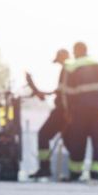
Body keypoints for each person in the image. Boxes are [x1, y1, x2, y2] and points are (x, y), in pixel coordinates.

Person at [62, 41, 98, 182]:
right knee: (97, 142)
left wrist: (68, 111)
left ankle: (75, 173)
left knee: (78, 142)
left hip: (80, 111)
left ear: (75, 51)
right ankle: (95, 174)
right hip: (97, 110)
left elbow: (67, 93)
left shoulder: (71, 67)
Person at [27, 49, 71, 179]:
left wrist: (67, 110)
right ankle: (73, 172)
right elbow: (60, 91)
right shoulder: (68, 70)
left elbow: (64, 93)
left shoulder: (67, 69)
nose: (58, 64)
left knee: (43, 135)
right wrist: (45, 93)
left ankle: (45, 167)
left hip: (63, 111)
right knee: (69, 140)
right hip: (66, 110)